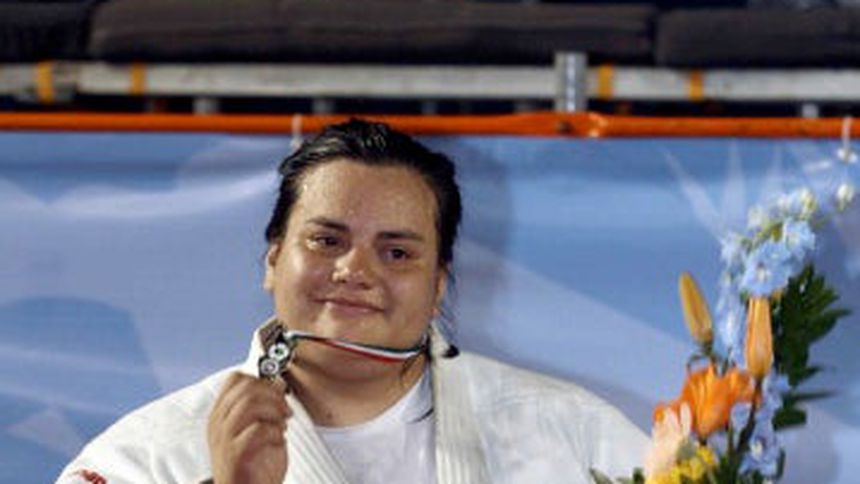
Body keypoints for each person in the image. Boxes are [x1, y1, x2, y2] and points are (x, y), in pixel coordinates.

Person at [57, 119, 647, 484]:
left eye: (397, 253)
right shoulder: (147, 456)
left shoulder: (573, 433)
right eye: (326, 241)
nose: (355, 271)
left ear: (438, 286)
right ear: (272, 259)